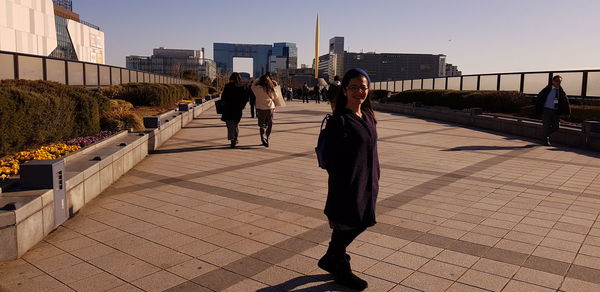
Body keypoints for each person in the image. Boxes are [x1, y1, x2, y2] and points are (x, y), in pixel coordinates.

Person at [318, 68, 380, 290]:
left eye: (363, 87)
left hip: (368, 180)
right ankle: (338, 262)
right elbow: (332, 161)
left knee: (359, 221)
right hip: (348, 184)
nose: (359, 91)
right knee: (351, 222)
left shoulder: (368, 116)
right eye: (353, 87)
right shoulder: (340, 121)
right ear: (344, 91)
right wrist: (347, 180)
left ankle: (333, 258)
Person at [535, 75, 571, 146]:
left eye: (560, 81)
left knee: (556, 127)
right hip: (546, 110)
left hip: (556, 111)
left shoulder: (561, 92)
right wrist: (538, 109)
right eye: (557, 81)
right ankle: (546, 140)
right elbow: (539, 98)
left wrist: (568, 112)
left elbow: (566, 102)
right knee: (546, 126)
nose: (558, 83)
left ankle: (545, 135)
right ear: (553, 81)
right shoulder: (547, 89)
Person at [220, 72, 248, 148]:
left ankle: (232, 139)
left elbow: (223, 97)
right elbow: (245, 98)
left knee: (229, 125)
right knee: (236, 124)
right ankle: (235, 139)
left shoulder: (227, 86)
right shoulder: (242, 87)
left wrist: (223, 103)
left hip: (228, 108)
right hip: (238, 108)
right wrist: (242, 106)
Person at [252, 74, 277, 147]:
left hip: (260, 108)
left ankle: (262, 138)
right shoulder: (270, 88)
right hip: (270, 108)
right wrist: (273, 83)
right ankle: (267, 137)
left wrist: (258, 79)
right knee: (270, 123)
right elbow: (275, 96)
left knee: (262, 125)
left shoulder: (257, 88)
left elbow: (252, 85)